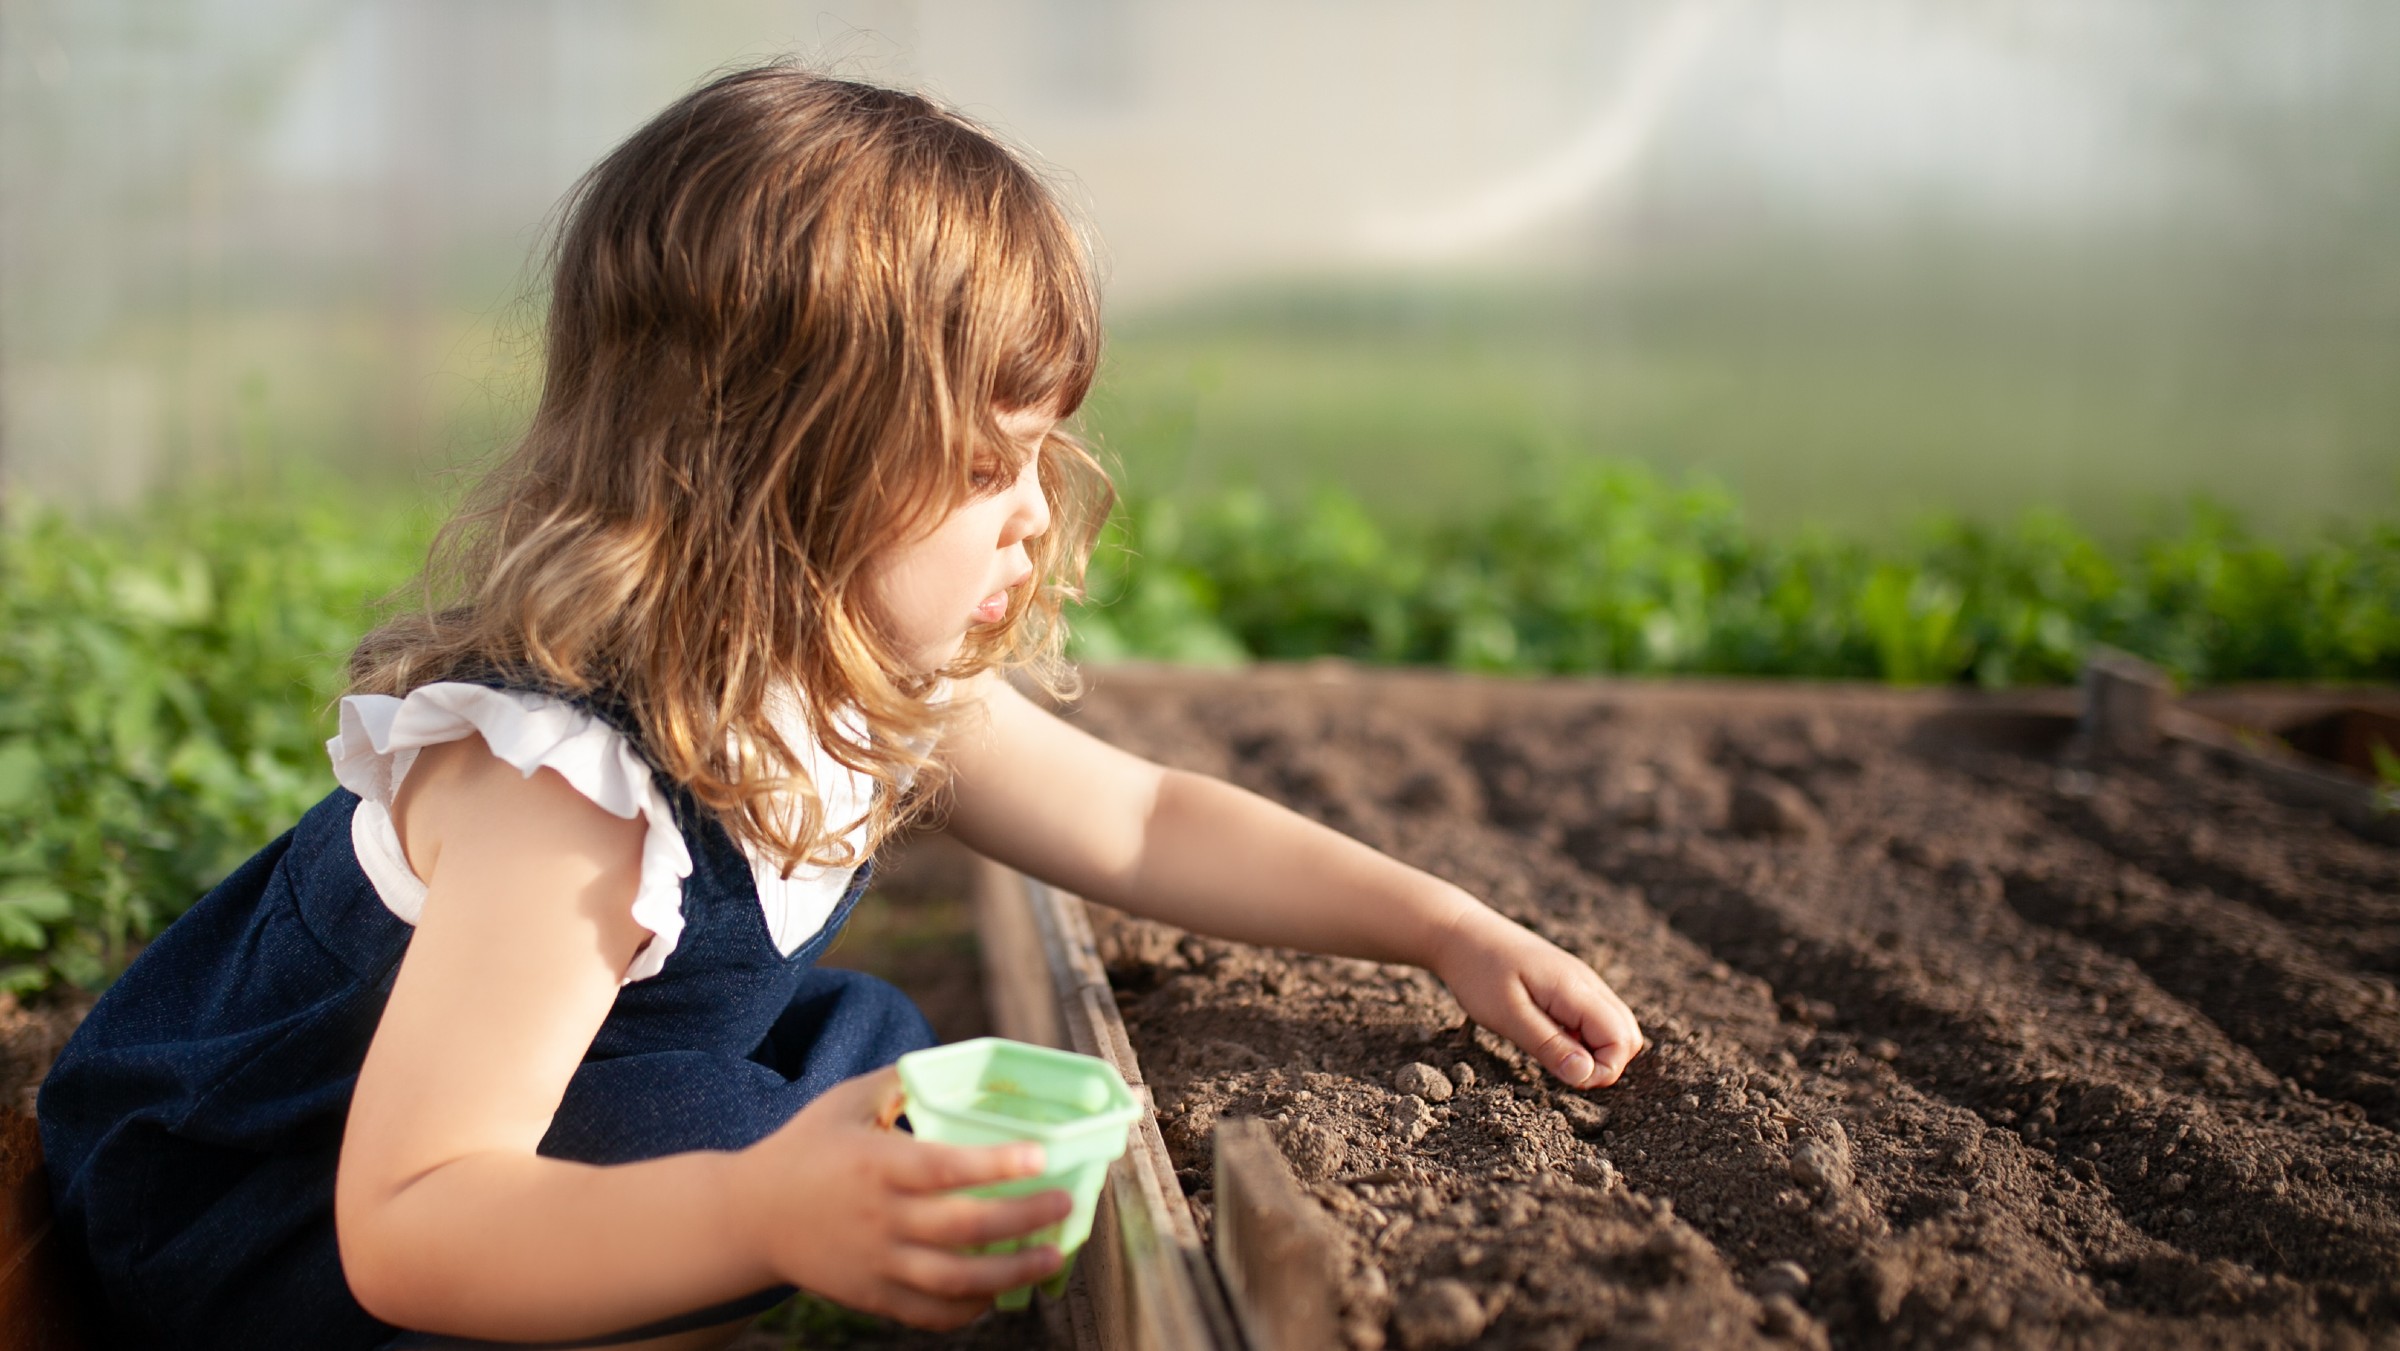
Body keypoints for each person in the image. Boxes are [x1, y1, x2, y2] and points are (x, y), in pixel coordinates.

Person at [36, 66, 1645, 1351]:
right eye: (981, 466)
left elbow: (1142, 819)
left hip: (483, 1144)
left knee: (876, 1062)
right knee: (749, 1132)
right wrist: (758, 1219)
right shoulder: (568, 798)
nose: (1034, 513)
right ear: (779, 476)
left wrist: (1441, 926)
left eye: (1039, 455)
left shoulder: (863, 684)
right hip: (273, 1211)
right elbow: (410, 1225)